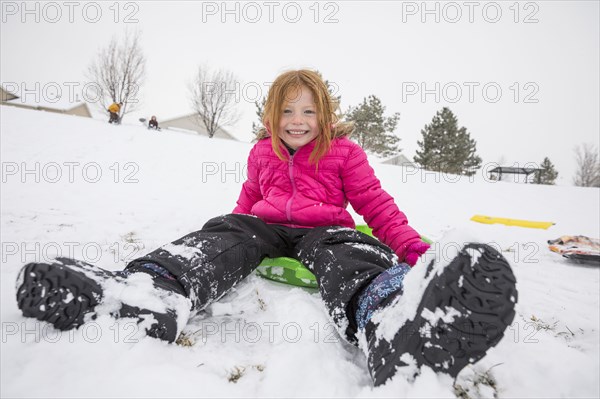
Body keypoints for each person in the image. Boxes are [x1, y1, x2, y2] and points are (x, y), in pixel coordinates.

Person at [15, 70, 517, 386]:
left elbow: (375, 204)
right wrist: (229, 227)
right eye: (286, 111)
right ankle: (150, 294)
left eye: (308, 111)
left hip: (325, 230)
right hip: (269, 229)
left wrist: (413, 250)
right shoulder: (261, 152)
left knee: (349, 253)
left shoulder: (344, 153)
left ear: (325, 116)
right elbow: (248, 202)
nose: (296, 121)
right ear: (271, 116)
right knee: (231, 231)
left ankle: (388, 318)